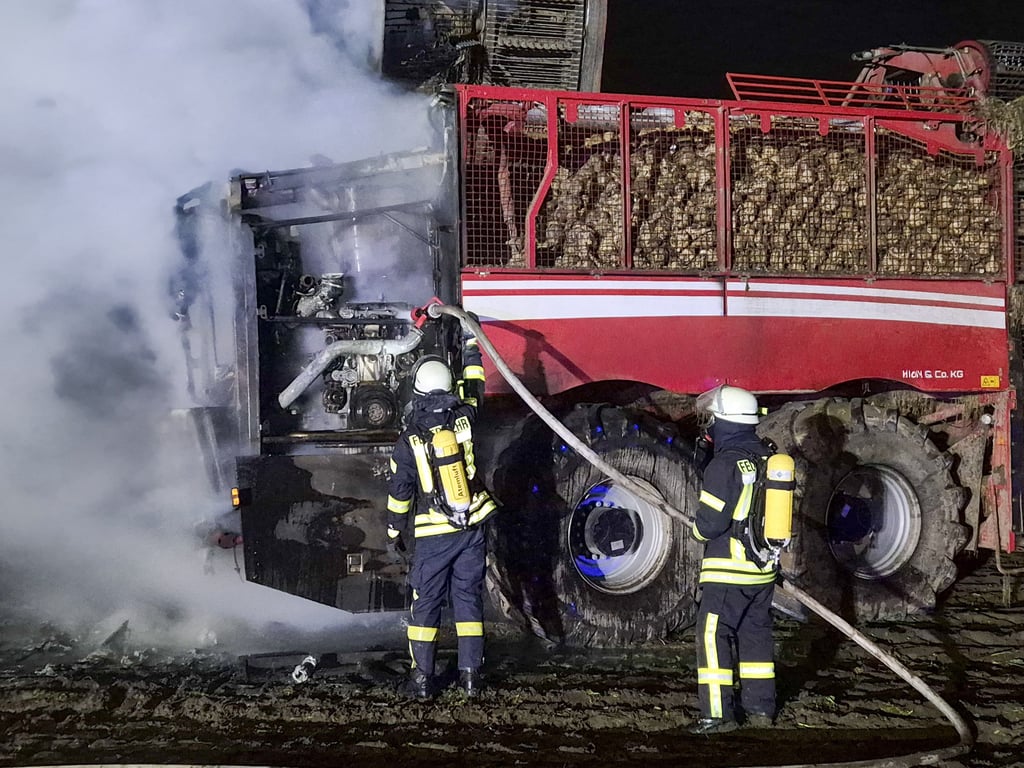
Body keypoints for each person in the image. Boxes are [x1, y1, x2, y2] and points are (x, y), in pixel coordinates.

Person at [386, 325, 498, 700]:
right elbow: (475, 383)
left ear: (417, 391)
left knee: (427, 604)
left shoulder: (409, 439)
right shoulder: (466, 416)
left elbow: (400, 494)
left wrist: (393, 533)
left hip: (434, 536)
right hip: (472, 527)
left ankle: (421, 681)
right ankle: (471, 677)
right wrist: (471, 342)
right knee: (468, 598)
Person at [690, 384, 778, 734]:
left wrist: (696, 531)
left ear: (723, 422)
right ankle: (761, 709)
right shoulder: (768, 457)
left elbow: (709, 525)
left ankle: (717, 715)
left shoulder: (725, 464)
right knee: (755, 635)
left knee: (712, 635)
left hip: (728, 570)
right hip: (763, 570)